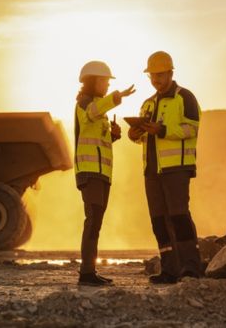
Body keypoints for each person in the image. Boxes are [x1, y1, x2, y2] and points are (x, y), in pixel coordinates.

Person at [128, 51, 202, 284]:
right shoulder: (147, 103)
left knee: (179, 216)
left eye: (160, 75)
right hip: (152, 171)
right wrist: (134, 133)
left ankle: (191, 267)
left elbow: (192, 129)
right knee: (158, 221)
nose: (156, 80)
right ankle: (169, 270)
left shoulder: (185, 97)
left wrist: (163, 131)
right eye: (152, 76)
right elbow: (143, 138)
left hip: (176, 169)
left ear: (171, 73)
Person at [74, 60, 135, 286]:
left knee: (96, 221)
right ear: (92, 81)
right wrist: (117, 97)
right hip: (89, 172)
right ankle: (86, 273)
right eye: (105, 81)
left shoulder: (99, 106)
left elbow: (98, 139)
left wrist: (114, 136)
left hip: (101, 173)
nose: (108, 85)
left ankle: (90, 271)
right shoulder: (85, 103)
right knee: (92, 221)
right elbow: (92, 112)